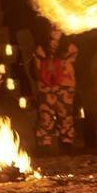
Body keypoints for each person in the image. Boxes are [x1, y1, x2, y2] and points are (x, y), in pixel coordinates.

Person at [32, 27, 78, 155]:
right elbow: (37, 68)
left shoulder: (70, 47)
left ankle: (66, 144)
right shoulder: (41, 48)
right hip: (46, 86)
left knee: (66, 115)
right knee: (45, 115)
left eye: (57, 28)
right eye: (52, 28)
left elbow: (70, 65)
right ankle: (44, 146)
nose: (55, 30)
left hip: (65, 86)